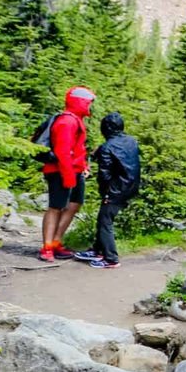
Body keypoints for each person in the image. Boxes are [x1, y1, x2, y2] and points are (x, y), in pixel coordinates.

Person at [76, 112, 141, 270]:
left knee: (105, 222)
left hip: (116, 189)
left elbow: (104, 174)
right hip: (131, 186)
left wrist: (105, 192)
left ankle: (111, 258)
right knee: (103, 218)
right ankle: (98, 250)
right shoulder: (131, 141)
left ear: (105, 128)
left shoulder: (107, 147)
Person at [38, 85, 95, 263]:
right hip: (60, 171)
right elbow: (63, 152)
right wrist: (68, 176)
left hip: (74, 171)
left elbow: (77, 149)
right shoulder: (67, 121)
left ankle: (56, 242)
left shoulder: (76, 120)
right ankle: (47, 247)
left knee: (74, 204)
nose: (90, 107)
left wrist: (83, 166)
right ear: (80, 102)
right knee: (56, 207)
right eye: (89, 103)